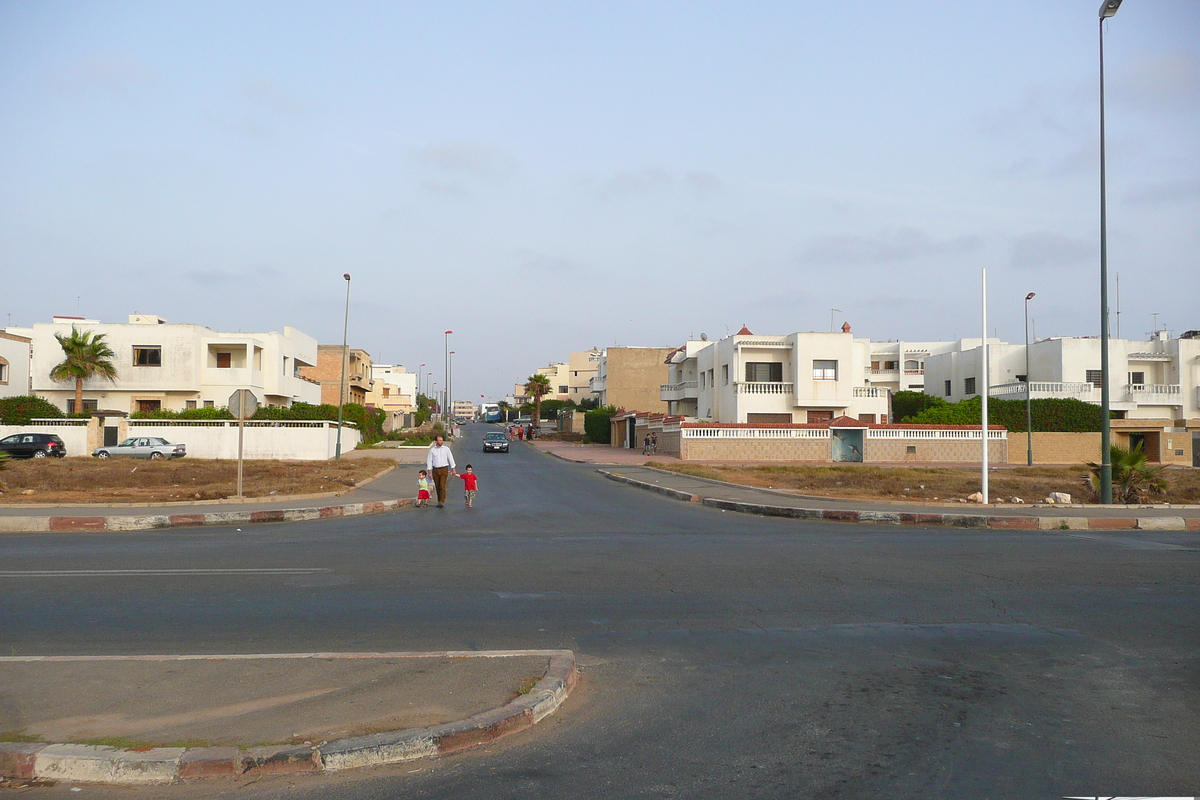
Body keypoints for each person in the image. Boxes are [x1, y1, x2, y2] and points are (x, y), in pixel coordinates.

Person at [425, 435, 457, 508]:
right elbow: (429, 461)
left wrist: (453, 468)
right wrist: (429, 472)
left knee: (442, 485)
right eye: (440, 440)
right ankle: (439, 500)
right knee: (437, 486)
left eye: (442, 440)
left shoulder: (446, 449)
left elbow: (450, 458)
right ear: (436, 441)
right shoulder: (432, 450)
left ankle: (442, 501)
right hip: (435, 469)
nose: (441, 442)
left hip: (444, 469)